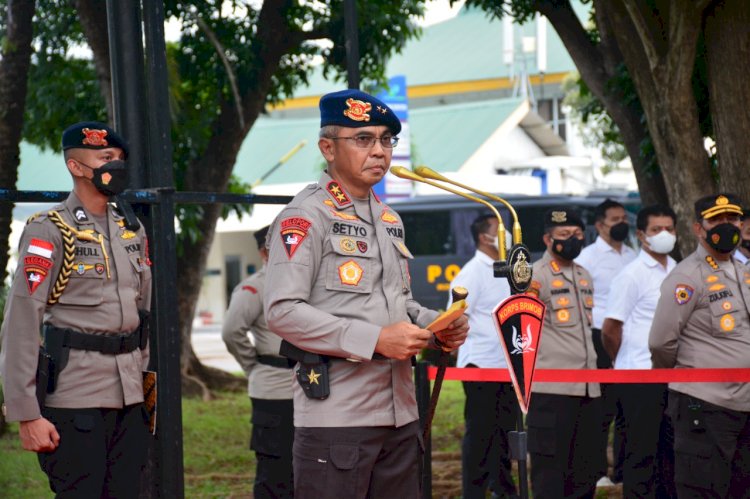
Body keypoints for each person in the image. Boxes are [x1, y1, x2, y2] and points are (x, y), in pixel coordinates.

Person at [263, 89, 469, 499]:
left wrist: (436, 324)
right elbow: (283, 311)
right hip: (338, 419)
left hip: (400, 414)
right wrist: (375, 340)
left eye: (385, 140)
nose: (379, 151)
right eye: (363, 140)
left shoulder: (389, 219)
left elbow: (399, 303)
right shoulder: (305, 216)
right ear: (327, 148)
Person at [0, 121, 152, 497]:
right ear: (76, 167)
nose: (115, 166)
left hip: (130, 397)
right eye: (105, 158)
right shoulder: (49, 230)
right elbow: (21, 321)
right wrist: (26, 413)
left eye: (119, 158)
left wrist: (146, 386)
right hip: (74, 397)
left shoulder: (132, 229)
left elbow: (143, 315)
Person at [649, 193, 750, 497]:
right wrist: (681, 378)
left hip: (744, 404)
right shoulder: (687, 277)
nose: (726, 226)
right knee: (703, 489)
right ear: (698, 228)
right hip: (705, 405)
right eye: (716, 220)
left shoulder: (744, 273)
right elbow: (660, 342)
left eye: (731, 219)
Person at [601, 204, 678, 498]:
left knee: (669, 453)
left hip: (673, 376)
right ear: (641, 235)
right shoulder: (631, 275)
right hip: (638, 376)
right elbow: (610, 329)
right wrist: (622, 361)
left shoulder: (677, 270)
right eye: (657, 230)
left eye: (669, 229)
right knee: (641, 453)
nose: (664, 235)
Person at [526, 207, 602, 497]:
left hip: (588, 390)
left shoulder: (584, 275)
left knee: (586, 472)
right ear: (548, 239)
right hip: (552, 391)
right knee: (550, 474)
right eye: (564, 235)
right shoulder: (534, 276)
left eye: (577, 234)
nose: (572, 240)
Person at [222, 225, 294, 498]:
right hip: (274, 389)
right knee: (275, 471)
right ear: (264, 253)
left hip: (312, 388)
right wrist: (254, 365)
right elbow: (231, 332)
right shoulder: (254, 288)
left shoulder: (308, 283)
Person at [448, 214, 516, 499]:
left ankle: (502, 487)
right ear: (483, 238)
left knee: (503, 433)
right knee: (480, 436)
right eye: (499, 231)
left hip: (506, 365)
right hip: (480, 366)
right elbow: (454, 316)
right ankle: (473, 491)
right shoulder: (472, 272)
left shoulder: (507, 269)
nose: (507, 236)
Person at [575, 198, 635, 485]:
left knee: (626, 406)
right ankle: (598, 470)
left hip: (629, 340)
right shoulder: (587, 258)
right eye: (615, 219)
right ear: (600, 225)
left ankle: (623, 470)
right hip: (599, 337)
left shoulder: (632, 255)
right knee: (602, 409)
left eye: (624, 217)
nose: (622, 223)